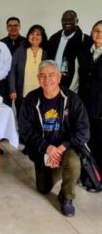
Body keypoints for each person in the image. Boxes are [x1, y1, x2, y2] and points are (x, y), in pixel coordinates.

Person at [19, 60, 90, 217]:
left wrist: (62, 147)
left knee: (72, 161)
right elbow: (25, 130)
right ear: (38, 78)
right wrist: (47, 148)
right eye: (43, 76)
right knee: (43, 189)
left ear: (59, 77)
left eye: (51, 75)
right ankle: (58, 167)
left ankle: (67, 197)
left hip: (67, 148)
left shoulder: (72, 99)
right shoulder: (31, 99)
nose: (47, 80)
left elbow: (83, 131)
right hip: (43, 150)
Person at [9, 25, 48, 116]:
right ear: (28, 36)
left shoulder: (47, 52)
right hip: (22, 93)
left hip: (42, 93)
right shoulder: (20, 50)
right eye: (32, 34)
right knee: (22, 118)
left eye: (38, 34)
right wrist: (12, 89)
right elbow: (12, 71)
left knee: (39, 118)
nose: (34, 37)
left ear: (43, 37)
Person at [78, 20, 102, 171]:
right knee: (88, 140)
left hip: (100, 108)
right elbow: (77, 79)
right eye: (96, 31)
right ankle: (90, 174)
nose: (99, 34)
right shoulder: (85, 52)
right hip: (85, 105)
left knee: (100, 143)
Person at [48, 10, 91, 92]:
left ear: (77, 21)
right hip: (53, 83)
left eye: (71, 19)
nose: (67, 22)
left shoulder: (85, 40)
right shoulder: (54, 38)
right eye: (64, 20)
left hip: (73, 87)